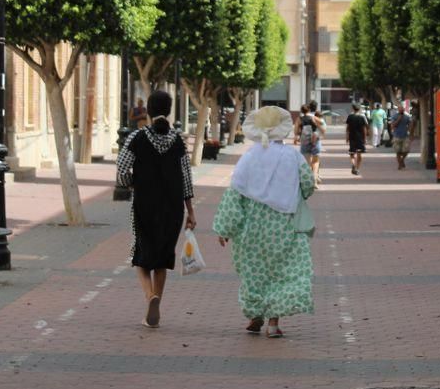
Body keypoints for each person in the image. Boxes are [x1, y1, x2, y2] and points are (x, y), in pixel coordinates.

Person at [213, 106, 315, 338]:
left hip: (252, 228)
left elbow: (235, 193)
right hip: (284, 226)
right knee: (282, 272)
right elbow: (308, 183)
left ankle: (254, 315)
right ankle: (273, 323)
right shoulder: (293, 156)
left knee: (253, 272)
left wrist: (225, 228)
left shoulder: (249, 157)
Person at [115, 90, 195, 328]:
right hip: (172, 207)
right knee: (162, 257)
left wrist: (132, 183)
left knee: (141, 255)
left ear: (148, 110)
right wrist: (191, 211)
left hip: (145, 203)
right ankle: (156, 301)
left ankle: (150, 296)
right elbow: (187, 178)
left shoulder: (137, 138)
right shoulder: (178, 140)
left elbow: (121, 171)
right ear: (169, 110)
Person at [296, 104, 321, 183]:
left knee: (307, 162)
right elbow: (321, 123)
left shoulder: (299, 119)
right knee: (316, 161)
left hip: (304, 141)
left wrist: (296, 137)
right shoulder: (313, 117)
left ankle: (309, 178)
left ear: (301, 111)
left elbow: (296, 130)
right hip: (315, 140)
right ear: (309, 110)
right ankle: (315, 178)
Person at [345, 103, 369, 175]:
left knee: (352, 153)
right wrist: (365, 138)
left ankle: (353, 164)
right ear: (360, 109)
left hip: (352, 137)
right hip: (360, 138)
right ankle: (357, 168)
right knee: (359, 153)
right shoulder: (362, 117)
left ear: (353, 108)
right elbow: (364, 128)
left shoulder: (350, 116)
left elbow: (347, 128)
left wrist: (347, 137)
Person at [390, 106, 413, 170]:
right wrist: (399, 119)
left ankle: (402, 160)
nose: (401, 111)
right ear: (398, 110)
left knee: (406, 150)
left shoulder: (407, 117)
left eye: (402, 110)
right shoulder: (395, 116)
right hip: (396, 135)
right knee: (398, 152)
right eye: (400, 110)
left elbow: (410, 124)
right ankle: (400, 165)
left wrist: (410, 132)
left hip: (405, 136)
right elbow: (392, 125)